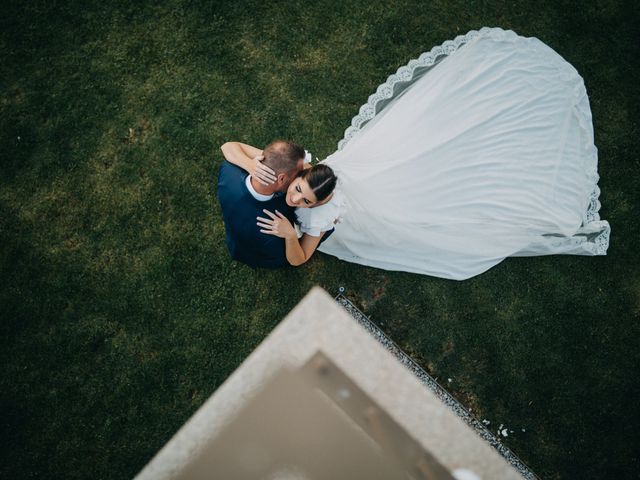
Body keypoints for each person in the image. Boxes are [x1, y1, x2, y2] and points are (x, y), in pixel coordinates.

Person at [223, 27, 611, 279]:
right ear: (304, 169)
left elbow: (300, 259)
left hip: (340, 211)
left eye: (300, 196)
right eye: (296, 190)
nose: (292, 195)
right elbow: (230, 148)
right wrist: (251, 162)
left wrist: (292, 232)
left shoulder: (319, 214)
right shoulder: (298, 171)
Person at [224, 146, 340, 265]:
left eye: (306, 201)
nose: (295, 199)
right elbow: (227, 146)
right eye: (298, 188)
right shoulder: (294, 169)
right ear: (298, 175)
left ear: (315, 204)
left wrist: (290, 235)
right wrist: (251, 165)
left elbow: (300, 259)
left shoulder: (320, 217)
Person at [217, 140, 305, 268]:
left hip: (234, 243)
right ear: (281, 179)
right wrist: (290, 235)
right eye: (299, 174)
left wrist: (248, 164)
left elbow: (228, 146)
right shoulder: (275, 220)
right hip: (262, 257)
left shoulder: (228, 170)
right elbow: (295, 260)